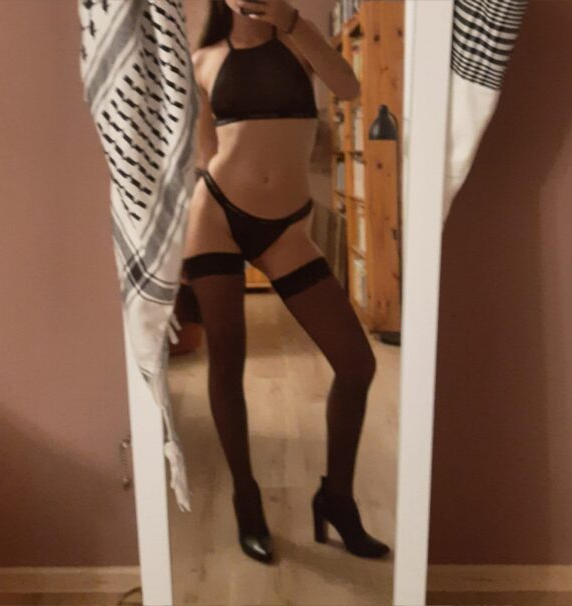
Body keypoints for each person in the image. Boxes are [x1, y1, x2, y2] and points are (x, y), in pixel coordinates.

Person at [181, 0, 390, 564]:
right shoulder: (203, 60)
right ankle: (247, 501)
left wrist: (293, 22)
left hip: (286, 227)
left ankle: (337, 499)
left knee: (356, 364)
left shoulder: (300, 42)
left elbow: (348, 87)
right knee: (227, 360)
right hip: (216, 215)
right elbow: (205, 152)